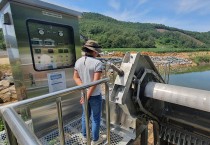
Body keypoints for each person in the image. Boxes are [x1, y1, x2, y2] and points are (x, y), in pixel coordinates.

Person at [73, 40, 105, 145]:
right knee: (96, 118)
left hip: (84, 94)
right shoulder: (97, 63)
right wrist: (88, 94)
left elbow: (76, 77)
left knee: (85, 116)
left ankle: (85, 137)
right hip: (94, 95)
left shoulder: (78, 61)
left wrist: (84, 90)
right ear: (94, 51)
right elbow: (95, 82)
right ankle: (95, 140)